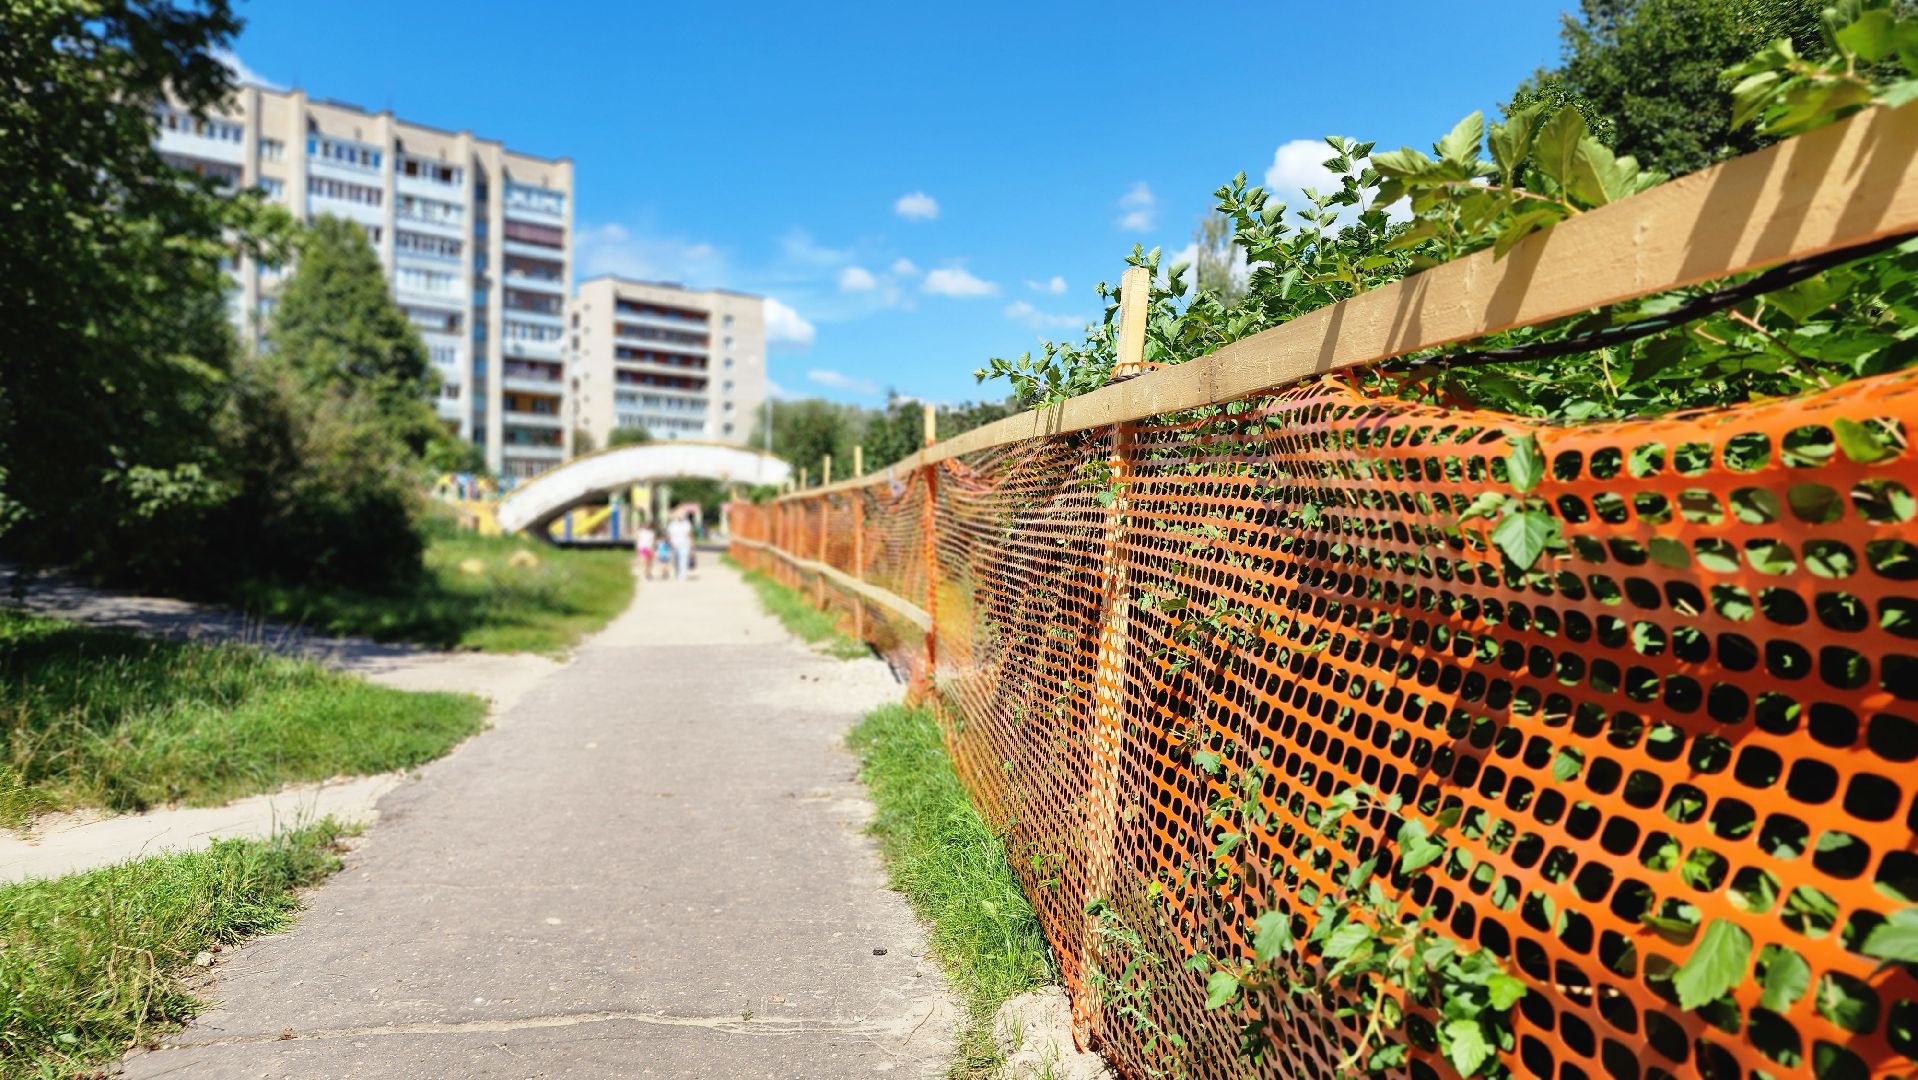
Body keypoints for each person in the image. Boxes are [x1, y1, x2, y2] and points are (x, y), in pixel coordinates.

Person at [667, 513, 694, 580]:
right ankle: (677, 572)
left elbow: (690, 534)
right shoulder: (672, 524)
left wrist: (692, 544)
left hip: (685, 544)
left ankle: (682, 575)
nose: (680, 517)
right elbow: (669, 535)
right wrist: (670, 543)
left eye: (681, 515)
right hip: (675, 544)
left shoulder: (687, 524)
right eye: (679, 515)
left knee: (684, 559)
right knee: (676, 559)